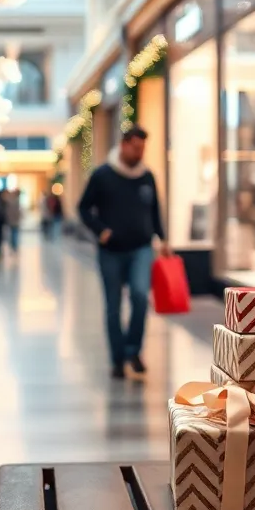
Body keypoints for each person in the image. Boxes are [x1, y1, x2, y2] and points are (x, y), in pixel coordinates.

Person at [77, 126, 171, 380]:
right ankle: (117, 359)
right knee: (113, 306)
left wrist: (162, 239)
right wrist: (100, 231)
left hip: (141, 248)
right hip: (111, 251)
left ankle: (133, 350)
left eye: (143, 149)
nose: (140, 153)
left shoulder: (146, 176)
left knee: (141, 297)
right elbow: (83, 208)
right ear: (124, 145)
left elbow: (154, 210)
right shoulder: (102, 175)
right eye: (136, 148)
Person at [4, 188, 22, 252]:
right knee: (14, 233)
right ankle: (14, 246)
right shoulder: (16, 201)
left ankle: (13, 245)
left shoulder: (9, 200)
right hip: (14, 219)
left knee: (12, 233)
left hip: (11, 219)